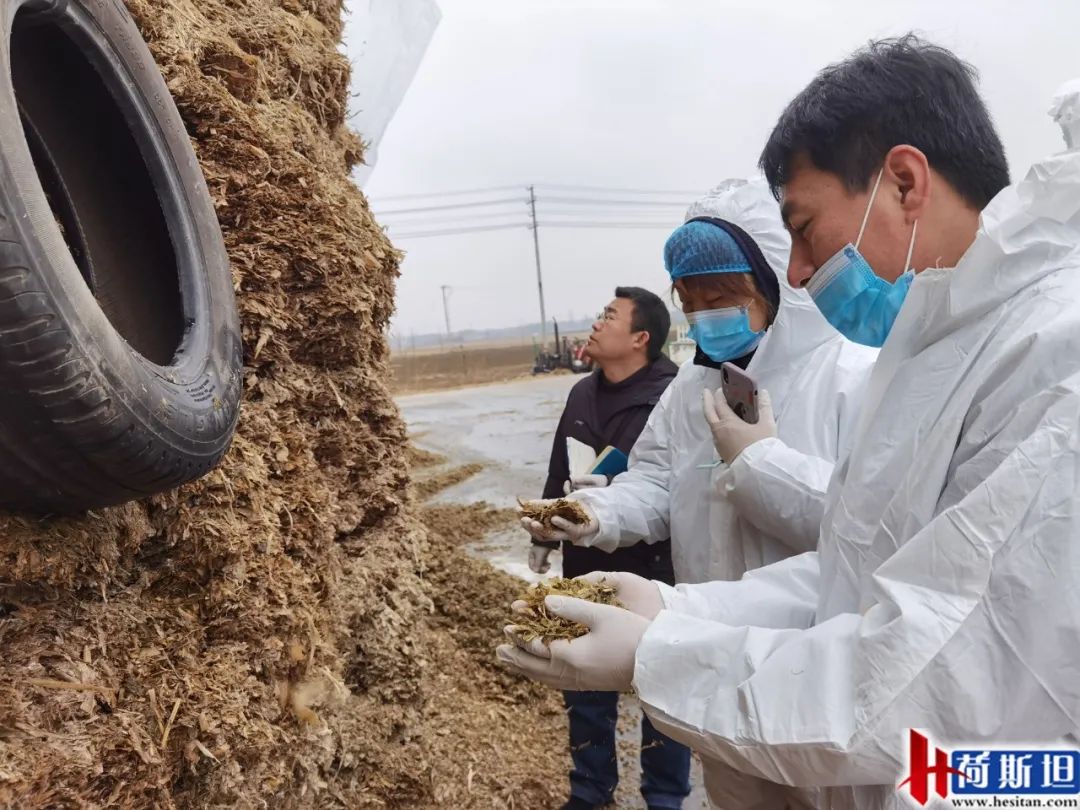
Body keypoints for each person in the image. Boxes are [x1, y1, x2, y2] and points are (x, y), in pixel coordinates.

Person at [502, 36, 1080, 810]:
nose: (802, 271)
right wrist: (679, 608)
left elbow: (947, 675)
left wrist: (664, 655)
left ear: (904, 182)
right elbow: (855, 572)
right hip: (792, 715)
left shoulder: (1047, 357)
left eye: (804, 228)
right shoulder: (927, 359)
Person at [519, 177, 877, 808]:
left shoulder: (848, 376)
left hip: (811, 655)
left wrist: (761, 465)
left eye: (721, 298)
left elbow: (865, 526)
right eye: (690, 301)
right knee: (735, 791)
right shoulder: (692, 388)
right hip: (709, 646)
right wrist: (594, 513)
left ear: (773, 284)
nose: (704, 314)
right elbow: (656, 481)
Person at [528, 286, 690, 810]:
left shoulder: (673, 394)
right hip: (584, 562)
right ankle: (590, 791)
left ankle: (664, 797)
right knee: (583, 685)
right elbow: (559, 469)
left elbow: (679, 487)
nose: (596, 323)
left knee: (660, 685)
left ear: (640, 338)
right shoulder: (582, 393)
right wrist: (542, 533)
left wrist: (615, 498)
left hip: (652, 568)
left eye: (609, 316)